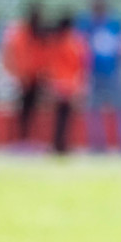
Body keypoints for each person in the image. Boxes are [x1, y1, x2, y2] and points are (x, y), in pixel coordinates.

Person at [78, 0, 121, 153]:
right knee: (93, 111)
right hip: (93, 72)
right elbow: (80, 47)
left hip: (113, 71)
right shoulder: (86, 23)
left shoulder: (114, 23)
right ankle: (97, 146)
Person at [44, 14, 88, 155]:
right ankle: (61, 145)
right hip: (68, 85)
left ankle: (60, 145)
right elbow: (80, 64)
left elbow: (52, 64)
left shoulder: (56, 41)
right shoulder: (74, 41)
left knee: (61, 117)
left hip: (60, 85)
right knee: (65, 118)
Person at [2, 5, 45, 145]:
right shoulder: (20, 34)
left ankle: (28, 139)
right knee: (20, 112)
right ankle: (19, 139)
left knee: (32, 111)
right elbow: (14, 56)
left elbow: (39, 57)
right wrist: (18, 75)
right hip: (20, 80)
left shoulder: (38, 33)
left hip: (34, 79)